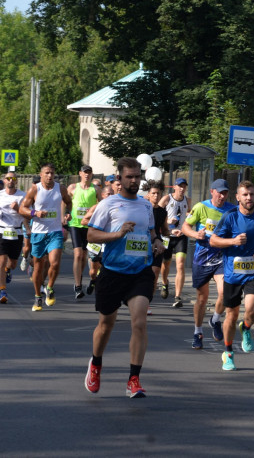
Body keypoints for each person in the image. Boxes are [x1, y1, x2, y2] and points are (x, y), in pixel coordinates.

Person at [83, 157, 163, 398]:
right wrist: (117, 234)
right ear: (119, 178)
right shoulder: (108, 204)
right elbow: (91, 235)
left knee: (139, 322)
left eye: (138, 176)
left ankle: (134, 380)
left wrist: (157, 242)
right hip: (113, 271)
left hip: (140, 272)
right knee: (106, 324)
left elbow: (151, 232)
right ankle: (96, 364)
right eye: (129, 176)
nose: (134, 180)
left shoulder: (146, 205)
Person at [209, 180, 254, 371]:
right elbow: (214, 240)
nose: (249, 198)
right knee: (231, 314)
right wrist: (232, 241)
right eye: (245, 195)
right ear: (238, 197)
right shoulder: (230, 217)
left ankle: (246, 327)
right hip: (232, 274)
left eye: (252, 194)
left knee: (252, 309)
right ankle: (228, 353)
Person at [183, 179, 236, 349]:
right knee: (202, 298)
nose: (222, 195)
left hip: (222, 258)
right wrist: (194, 234)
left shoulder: (232, 210)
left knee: (224, 292)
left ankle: (215, 320)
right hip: (202, 258)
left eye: (225, 192)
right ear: (212, 191)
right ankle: (198, 332)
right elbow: (185, 226)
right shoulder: (200, 207)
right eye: (219, 192)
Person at [20, 163, 73, 312]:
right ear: (41, 174)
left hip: (55, 231)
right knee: (38, 265)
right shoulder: (35, 189)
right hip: (38, 233)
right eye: (47, 173)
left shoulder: (60, 188)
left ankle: (49, 287)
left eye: (52, 173)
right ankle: (38, 296)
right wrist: (34, 214)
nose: (50, 176)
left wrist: (68, 214)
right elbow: (22, 209)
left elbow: (69, 202)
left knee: (54, 263)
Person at [0, 172, 28, 304]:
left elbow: (28, 214)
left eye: (13, 178)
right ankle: (3, 291)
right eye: (8, 178)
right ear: (4, 181)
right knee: (1, 261)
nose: (10, 180)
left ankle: (8, 269)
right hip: (1, 230)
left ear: (16, 181)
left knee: (12, 264)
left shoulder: (23, 195)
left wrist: (18, 209)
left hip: (16, 232)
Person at [68, 165, 101, 300]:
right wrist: (65, 214)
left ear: (92, 174)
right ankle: (77, 286)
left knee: (84, 256)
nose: (87, 175)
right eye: (85, 172)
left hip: (89, 226)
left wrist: (94, 210)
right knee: (78, 254)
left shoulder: (96, 189)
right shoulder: (73, 188)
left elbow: (103, 204)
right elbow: (65, 201)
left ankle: (79, 276)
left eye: (89, 172)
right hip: (75, 224)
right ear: (80, 173)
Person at [158, 177, 189, 307]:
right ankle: (165, 283)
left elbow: (189, 214)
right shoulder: (166, 199)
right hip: (167, 236)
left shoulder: (188, 200)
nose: (182, 189)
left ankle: (178, 296)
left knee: (180, 264)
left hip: (181, 236)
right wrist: (168, 221)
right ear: (174, 187)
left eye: (184, 186)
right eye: (179, 186)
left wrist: (189, 218)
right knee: (166, 264)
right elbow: (156, 214)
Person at [145, 180, 169, 314]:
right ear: (148, 195)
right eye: (153, 193)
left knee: (154, 274)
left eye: (158, 193)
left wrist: (172, 232)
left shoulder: (162, 212)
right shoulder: (142, 208)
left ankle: (147, 303)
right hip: (142, 243)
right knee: (141, 274)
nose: (156, 196)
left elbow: (164, 230)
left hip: (157, 244)